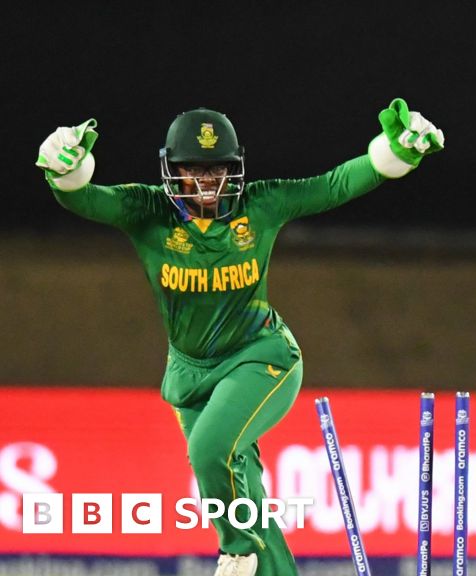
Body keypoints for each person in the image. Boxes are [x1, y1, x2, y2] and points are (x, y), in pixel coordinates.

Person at [35, 100, 443, 576]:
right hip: (190, 375)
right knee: (247, 500)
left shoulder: (260, 205)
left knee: (210, 452)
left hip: (261, 358)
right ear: (171, 169)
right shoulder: (147, 210)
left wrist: (393, 154)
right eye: (193, 169)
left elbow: (334, 184)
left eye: (218, 169)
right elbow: (85, 199)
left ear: (234, 169)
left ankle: (236, 551)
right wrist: (65, 170)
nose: (207, 181)